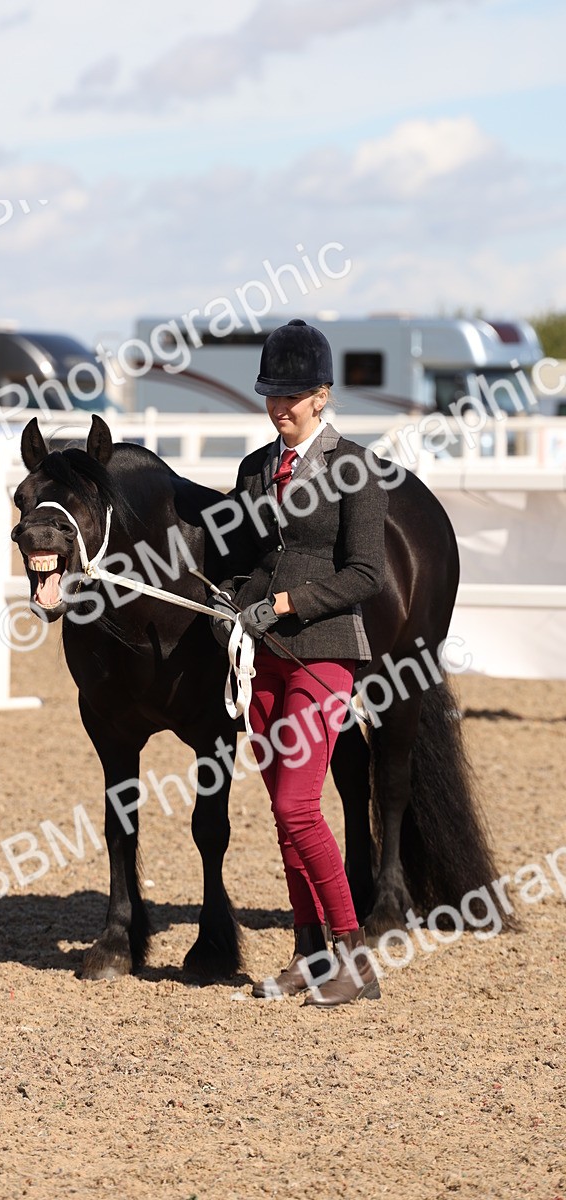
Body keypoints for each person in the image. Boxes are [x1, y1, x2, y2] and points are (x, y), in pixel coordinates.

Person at [210, 319, 387, 1007]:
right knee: (282, 814)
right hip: (261, 658)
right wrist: (229, 602)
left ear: (322, 395)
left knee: (298, 804)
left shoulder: (354, 467)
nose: (279, 407)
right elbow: (245, 559)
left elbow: (366, 572)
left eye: (291, 396)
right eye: (271, 395)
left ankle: (355, 957)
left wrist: (288, 603)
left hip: (324, 652)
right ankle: (309, 953)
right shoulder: (255, 469)